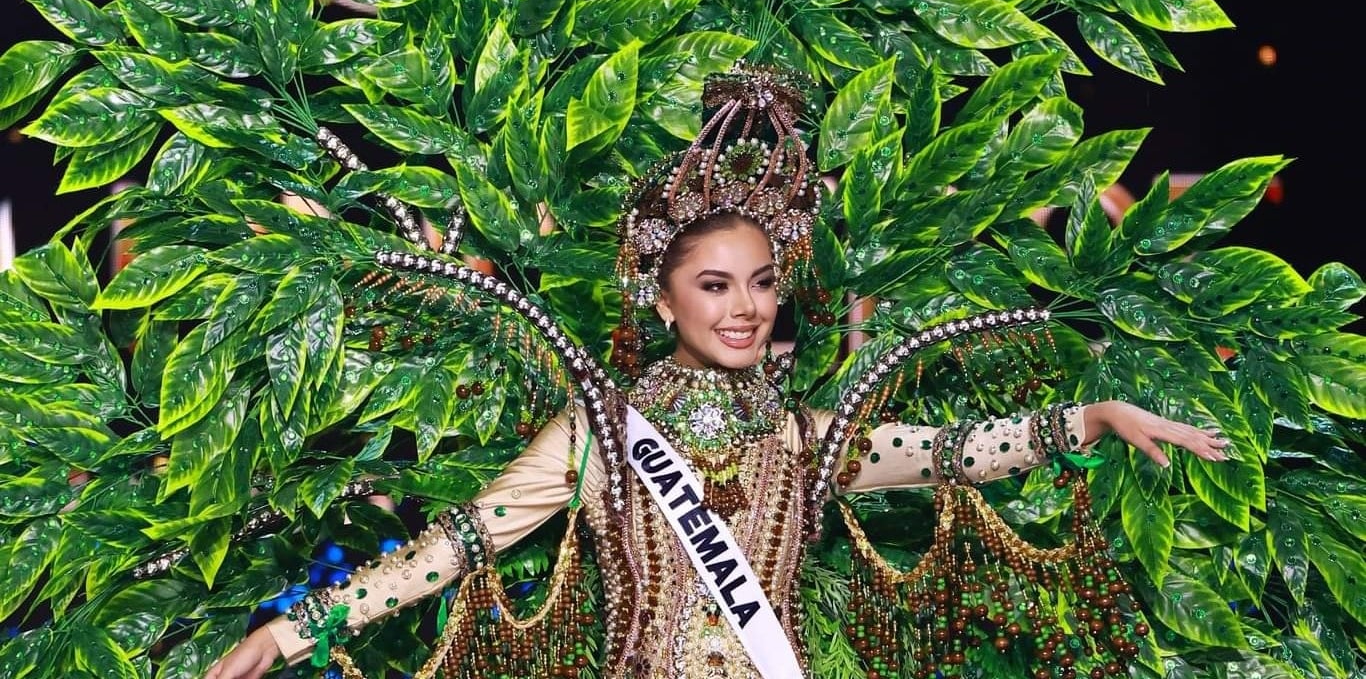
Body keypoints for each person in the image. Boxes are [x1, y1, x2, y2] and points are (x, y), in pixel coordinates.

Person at [206, 65, 1228, 679]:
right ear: (664, 301)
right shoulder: (598, 432)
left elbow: (954, 453)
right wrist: (293, 632)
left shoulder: (800, 436)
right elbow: (459, 544)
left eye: (762, 282)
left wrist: (1090, 416)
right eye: (713, 285)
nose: (742, 307)